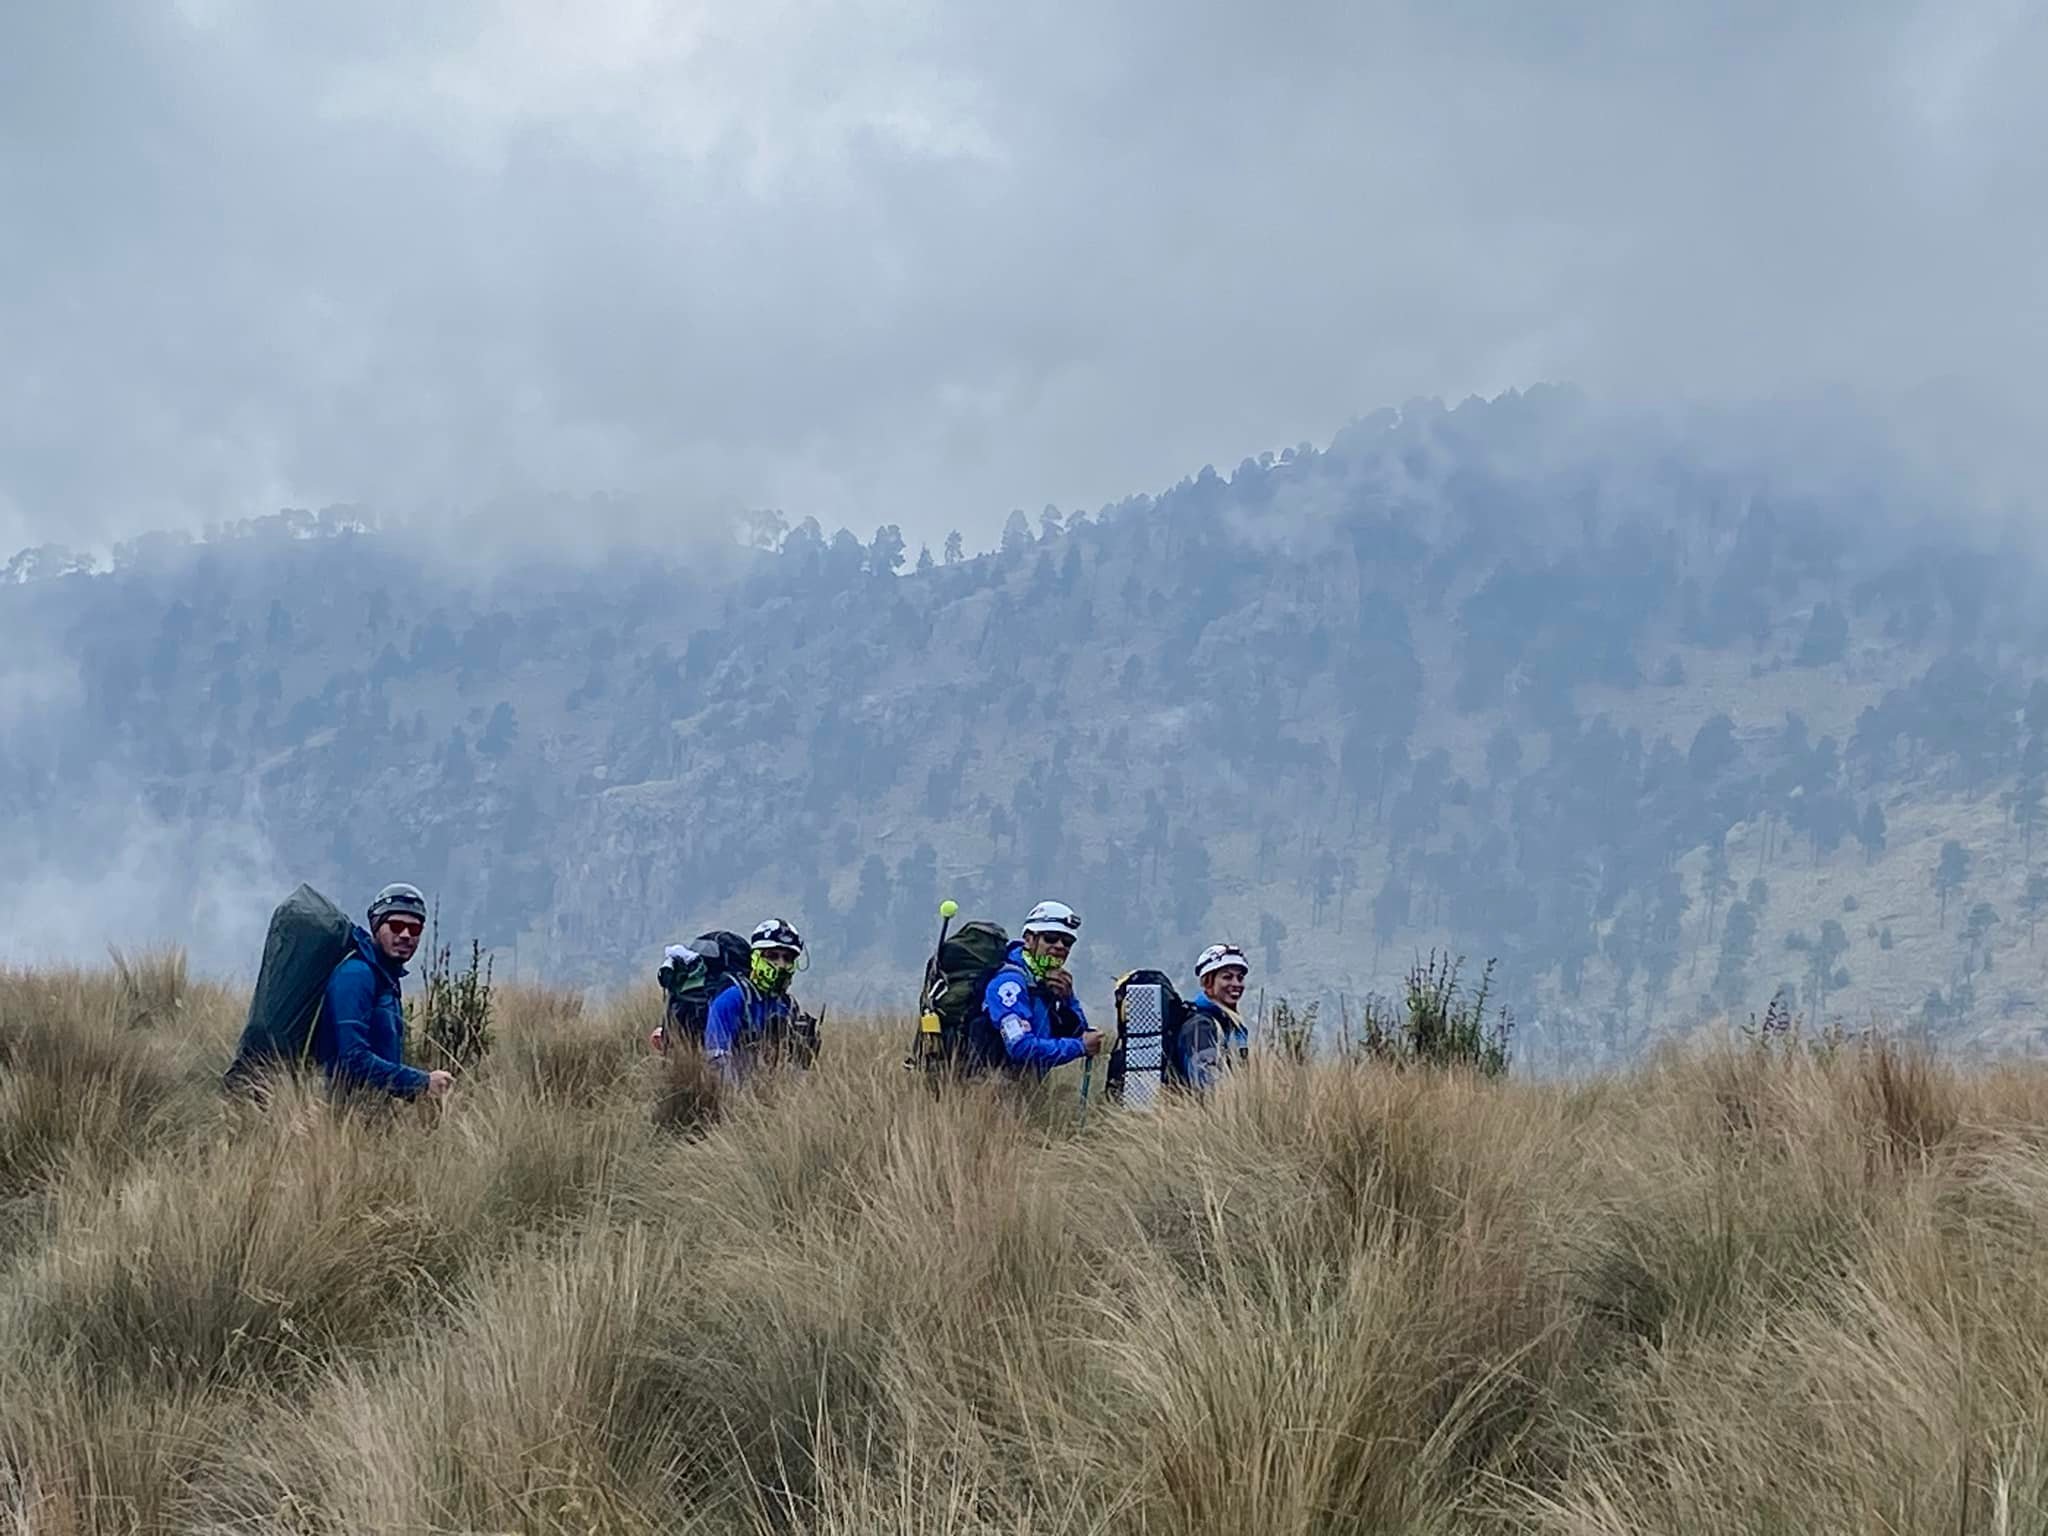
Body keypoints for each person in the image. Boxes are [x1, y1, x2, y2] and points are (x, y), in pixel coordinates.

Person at [313, 882, 454, 1104]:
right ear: (376, 926)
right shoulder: (356, 975)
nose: (406, 935)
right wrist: (421, 1083)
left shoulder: (386, 978)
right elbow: (353, 1058)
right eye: (396, 926)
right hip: (340, 1110)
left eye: (415, 929)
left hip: (370, 1108)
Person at [978, 900, 1104, 1077]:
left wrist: (1067, 1000)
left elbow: (1079, 1033)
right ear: (1028, 940)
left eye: (1067, 942)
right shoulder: (1010, 982)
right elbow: (1019, 1046)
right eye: (1050, 937)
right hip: (991, 1084)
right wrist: (1080, 1047)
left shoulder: (1050, 981)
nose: (1060, 946)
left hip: (1029, 1084)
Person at [703, 918, 816, 1081]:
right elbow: (715, 1059)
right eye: (772, 956)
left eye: (788, 958)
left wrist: (803, 1061)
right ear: (756, 958)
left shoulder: (788, 1006)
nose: (781, 964)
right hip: (736, 1089)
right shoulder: (732, 999)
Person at [1175, 942, 1251, 1093]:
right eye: (1227, 977)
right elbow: (1206, 1086)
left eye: (1240, 978)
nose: (1236, 984)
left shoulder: (1226, 1024)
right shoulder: (1201, 1026)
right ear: (1208, 982)